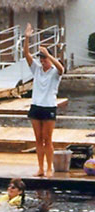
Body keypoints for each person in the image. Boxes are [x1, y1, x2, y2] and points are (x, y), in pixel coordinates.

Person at [24, 23, 65, 178]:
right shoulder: (37, 69)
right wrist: (27, 38)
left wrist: (49, 55)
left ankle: (49, 168)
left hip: (48, 107)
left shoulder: (55, 72)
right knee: (38, 139)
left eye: (44, 59)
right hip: (36, 106)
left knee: (48, 139)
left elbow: (61, 69)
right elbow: (26, 54)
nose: (42, 62)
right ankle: (40, 167)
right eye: (41, 59)